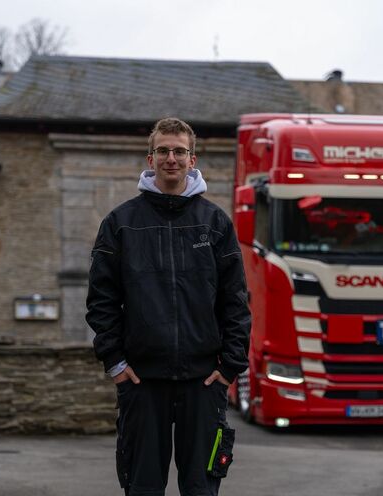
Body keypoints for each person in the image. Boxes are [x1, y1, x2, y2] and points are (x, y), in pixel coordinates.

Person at [86, 117, 251, 496]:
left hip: (204, 380)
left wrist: (230, 366)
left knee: (200, 488)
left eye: (179, 151)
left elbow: (235, 301)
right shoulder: (121, 223)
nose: (171, 158)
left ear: (193, 159)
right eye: (163, 150)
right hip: (142, 381)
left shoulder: (215, 223)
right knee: (142, 487)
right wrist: (115, 361)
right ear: (150, 158)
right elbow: (101, 300)